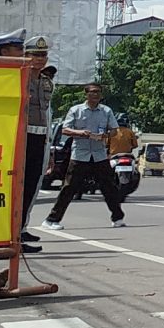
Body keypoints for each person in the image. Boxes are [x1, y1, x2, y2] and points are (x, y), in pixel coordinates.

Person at [0, 31, 53, 252]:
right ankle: (8, 234)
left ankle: (18, 230)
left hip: (39, 137)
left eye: (43, 55)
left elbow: (47, 114)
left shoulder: (47, 82)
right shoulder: (17, 76)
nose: (39, 59)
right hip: (18, 136)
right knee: (14, 186)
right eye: (34, 55)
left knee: (30, 185)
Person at [47, 86, 128, 227]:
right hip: (80, 154)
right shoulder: (76, 110)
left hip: (99, 154)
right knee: (69, 188)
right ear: (86, 94)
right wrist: (80, 133)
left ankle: (118, 217)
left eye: (98, 92)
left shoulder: (106, 111)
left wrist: (106, 135)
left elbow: (115, 130)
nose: (95, 95)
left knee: (109, 187)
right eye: (92, 92)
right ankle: (52, 219)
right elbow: (65, 129)